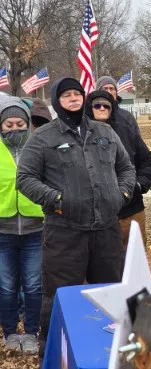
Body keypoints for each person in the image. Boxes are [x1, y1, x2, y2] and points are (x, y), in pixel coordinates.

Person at [16, 78, 136, 352]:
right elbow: (25, 178)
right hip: (65, 232)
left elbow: (126, 168)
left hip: (106, 231)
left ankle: (108, 350)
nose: (73, 99)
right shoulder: (43, 138)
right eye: (67, 95)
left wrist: (122, 195)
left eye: (77, 94)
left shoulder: (103, 132)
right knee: (59, 297)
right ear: (58, 100)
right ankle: (54, 352)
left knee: (110, 293)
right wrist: (56, 199)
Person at [84, 90, 151, 247]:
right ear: (89, 108)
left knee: (135, 262)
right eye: (97, 105)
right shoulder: (80, 135)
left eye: (106, 106)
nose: (102, 108)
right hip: (97, 216)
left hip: (131, 210)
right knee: (104, 266)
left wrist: (138, 185)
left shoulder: (126, 130)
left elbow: (146, 160)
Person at [0, 96, 42, 355]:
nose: (15, 128)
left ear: (27, 124)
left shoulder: (37, 148)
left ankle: (31, 332)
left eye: (19, 123)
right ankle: (10, 333)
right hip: (2, 231)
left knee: (34, 284)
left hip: (35, 229)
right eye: (8, 124)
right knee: (5, 286)